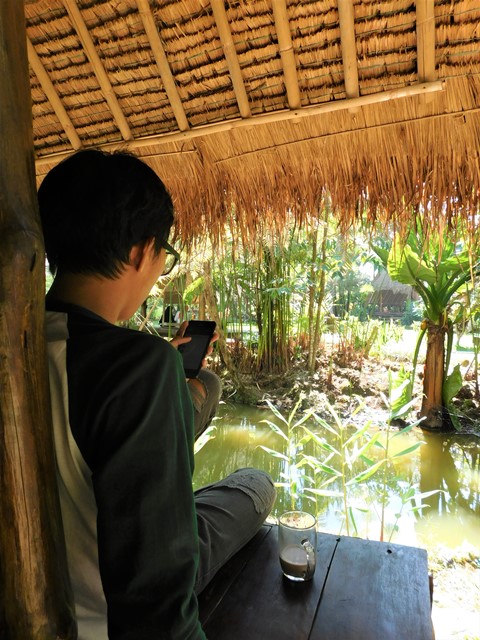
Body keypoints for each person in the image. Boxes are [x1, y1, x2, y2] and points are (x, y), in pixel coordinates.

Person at [38, 149, 276, 640]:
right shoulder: (135, 368)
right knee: (255, 483)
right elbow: (158, 604)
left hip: (69, 529)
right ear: (144, 250)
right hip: (95, 609)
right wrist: (156, 369)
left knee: (201, 388)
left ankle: (189, 400)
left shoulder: (25, 339)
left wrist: (161, 369)